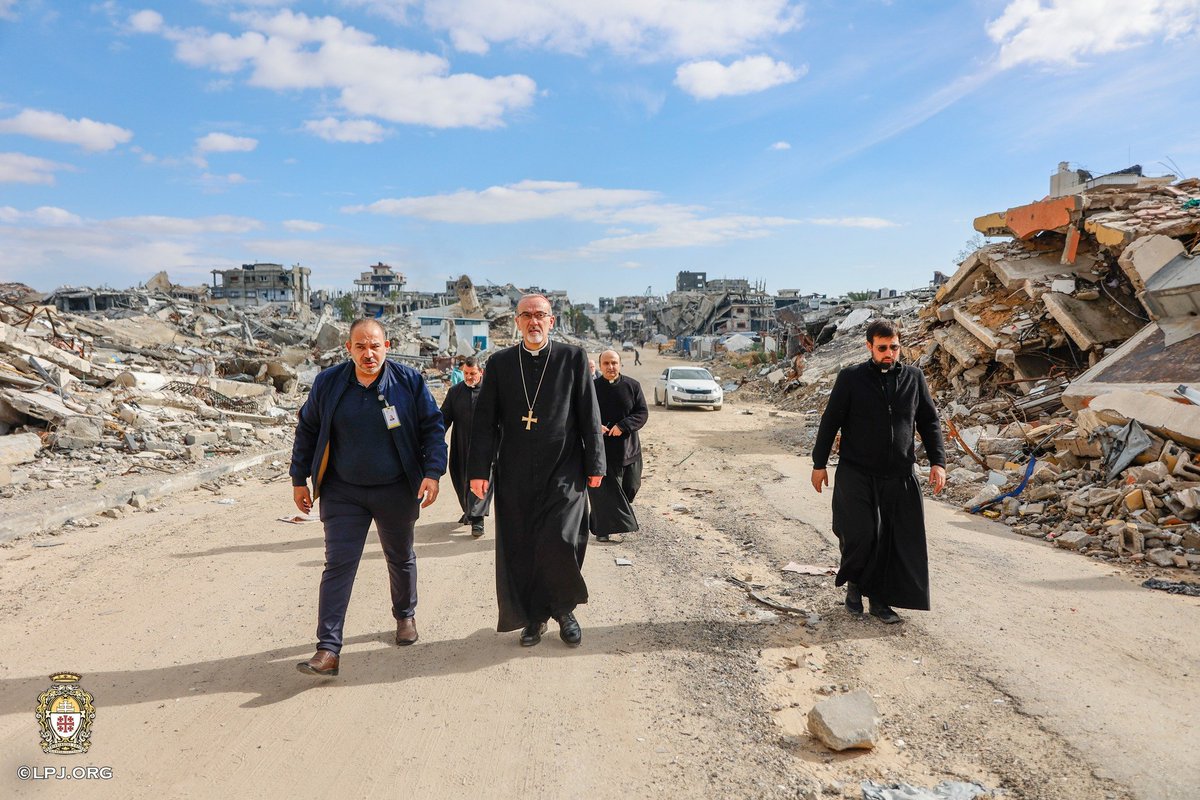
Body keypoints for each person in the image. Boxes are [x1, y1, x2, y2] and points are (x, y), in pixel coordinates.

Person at [290, 319, 447, 677]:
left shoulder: (408, 382)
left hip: (396, 487)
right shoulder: (329, 383)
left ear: (386, 346)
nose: (368, 353)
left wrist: (433, 472)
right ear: (348, 349)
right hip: (343, 490)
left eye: (374, 346)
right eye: (360, 347)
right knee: (339, 564)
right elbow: (308, 429)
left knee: (400, 555)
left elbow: (432, 428)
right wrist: (299, 477)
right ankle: (328, 649)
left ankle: (405, 615)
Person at [468, 294, 605, 648]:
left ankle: (563, 610)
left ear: (551, 321)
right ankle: (535, 617)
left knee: (560, 538)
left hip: (564, 467)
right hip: (515, 471)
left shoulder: (572, 358)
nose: (533, 321)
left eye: (540, 315)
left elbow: (590, 414)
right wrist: (478, 471)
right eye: (526, 315)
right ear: (516, 321)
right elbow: (484, 423)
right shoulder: (499, 364)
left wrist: (596, 463)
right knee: (524, 544)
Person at [809, 319, 946, 625]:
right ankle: (855, 585)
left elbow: (929, 422)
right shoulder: (851, 378)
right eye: (882, 348)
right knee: (861, 534)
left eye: (894, 347)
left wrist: (939, 462)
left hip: (898, 475)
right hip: (856, 473)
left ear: (900, 346)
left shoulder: (914, 378)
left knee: (891, 541)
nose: (889, 354)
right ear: (869, 346)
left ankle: (880, 601)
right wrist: (819, 464)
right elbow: (830, 421)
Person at [588, 349, 648, 544]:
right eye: (606, 363)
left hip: (629, 449)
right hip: (603, 450)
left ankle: (609, 519)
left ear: (620, 364)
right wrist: (596, 425)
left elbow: (642, 413)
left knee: (631, 487)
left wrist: (623, 426)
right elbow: (582, 413)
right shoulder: (592, 388)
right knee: (605, 493)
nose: (610, 367)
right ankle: (602, 530)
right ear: (600, 365)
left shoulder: (633, 386)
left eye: (613, 363)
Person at [440, 356, 492, 537]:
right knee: (460, 478)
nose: (469, 377)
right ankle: (469, 510)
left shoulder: (491, 391)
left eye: (473, 373)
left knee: (481, 480)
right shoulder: (455, 392)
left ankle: (477, 519)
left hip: (486, 446)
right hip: (461, 443)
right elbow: (444, 418)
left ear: (481, 372)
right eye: (466, 374)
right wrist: (433, 436)